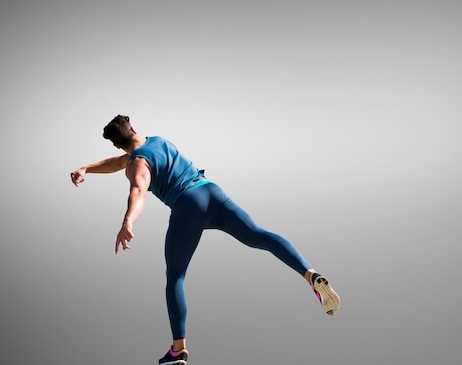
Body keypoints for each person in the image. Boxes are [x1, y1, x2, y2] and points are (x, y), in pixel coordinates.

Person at [70, 115, 340, 365]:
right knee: (259, 236)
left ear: (118, 145)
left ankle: (178, 349)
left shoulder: (136, 163)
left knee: (175, 277)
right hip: (212, 191)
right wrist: (86, 168)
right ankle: (311, 276)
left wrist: (128, 220)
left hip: (188, 205)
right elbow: (119, 163)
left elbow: (138, 188)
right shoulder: (158, 141)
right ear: (135, 130)